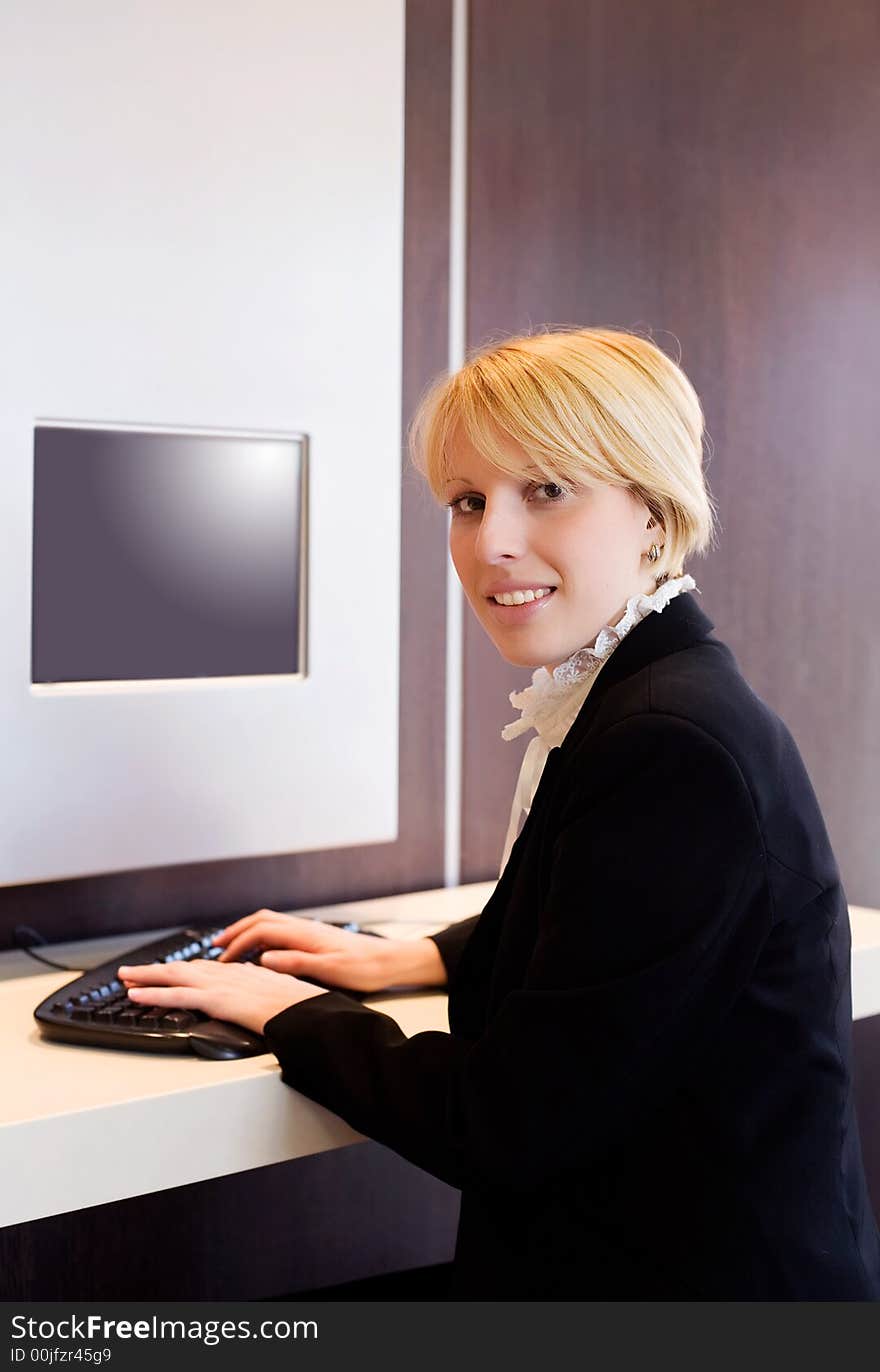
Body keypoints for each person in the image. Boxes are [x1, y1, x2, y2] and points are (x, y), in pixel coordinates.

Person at [120, 327, 880, 1300]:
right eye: (468, 501)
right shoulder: (658, 690)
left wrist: (293, 1014)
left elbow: (504, 1124)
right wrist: (426, 954)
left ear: (651, 512)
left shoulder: (668, 743)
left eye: (546, 490)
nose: (491, 542)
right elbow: (621, 930)